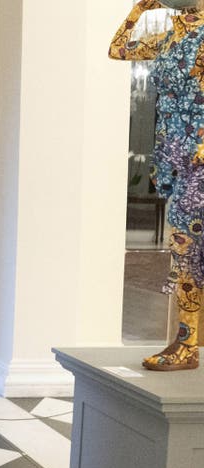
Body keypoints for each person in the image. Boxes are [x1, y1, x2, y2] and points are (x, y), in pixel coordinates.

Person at [111, 0, 204, 371]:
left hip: (197, 155)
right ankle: (187, 342)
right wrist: (138, 10)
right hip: (174, 155)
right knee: (185, 251)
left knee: (188, 250)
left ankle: (188, 343)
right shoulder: (168, 38)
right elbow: (118, 49)